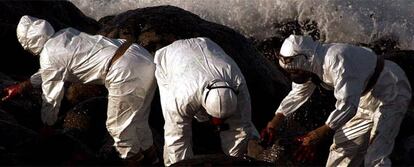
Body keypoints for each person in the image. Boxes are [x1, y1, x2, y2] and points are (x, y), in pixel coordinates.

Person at [4, 15, 158, 165]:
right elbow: (49, 71)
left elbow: (51, 98)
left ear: (28, 43)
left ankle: (132, 161)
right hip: (139, 56)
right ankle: (153, 160)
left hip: (124, 71)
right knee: (139, 121)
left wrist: (47, 126)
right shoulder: (65, 34)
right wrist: (23, 86)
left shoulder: (49, 56)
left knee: (117, 128)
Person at [260, 35, 411, 166]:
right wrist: (274, 123)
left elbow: (347, 106)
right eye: (290, 73)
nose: (294, 75)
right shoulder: (311, 66)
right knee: (342, 146)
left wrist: (319, 133)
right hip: (363, 98)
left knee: (375, 156)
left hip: (390, 90)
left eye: (296, 71)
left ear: (306, 60)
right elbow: (298, 93)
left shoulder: (336, 59)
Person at [154, 37, 259, 166]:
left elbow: (241, 126)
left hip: (205, 45)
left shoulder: (238, 83)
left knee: (240, 126)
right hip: (168, 59)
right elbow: (177, 138)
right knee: (173, 130)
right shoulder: (182, 98)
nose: (218, 124)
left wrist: (234, 161)